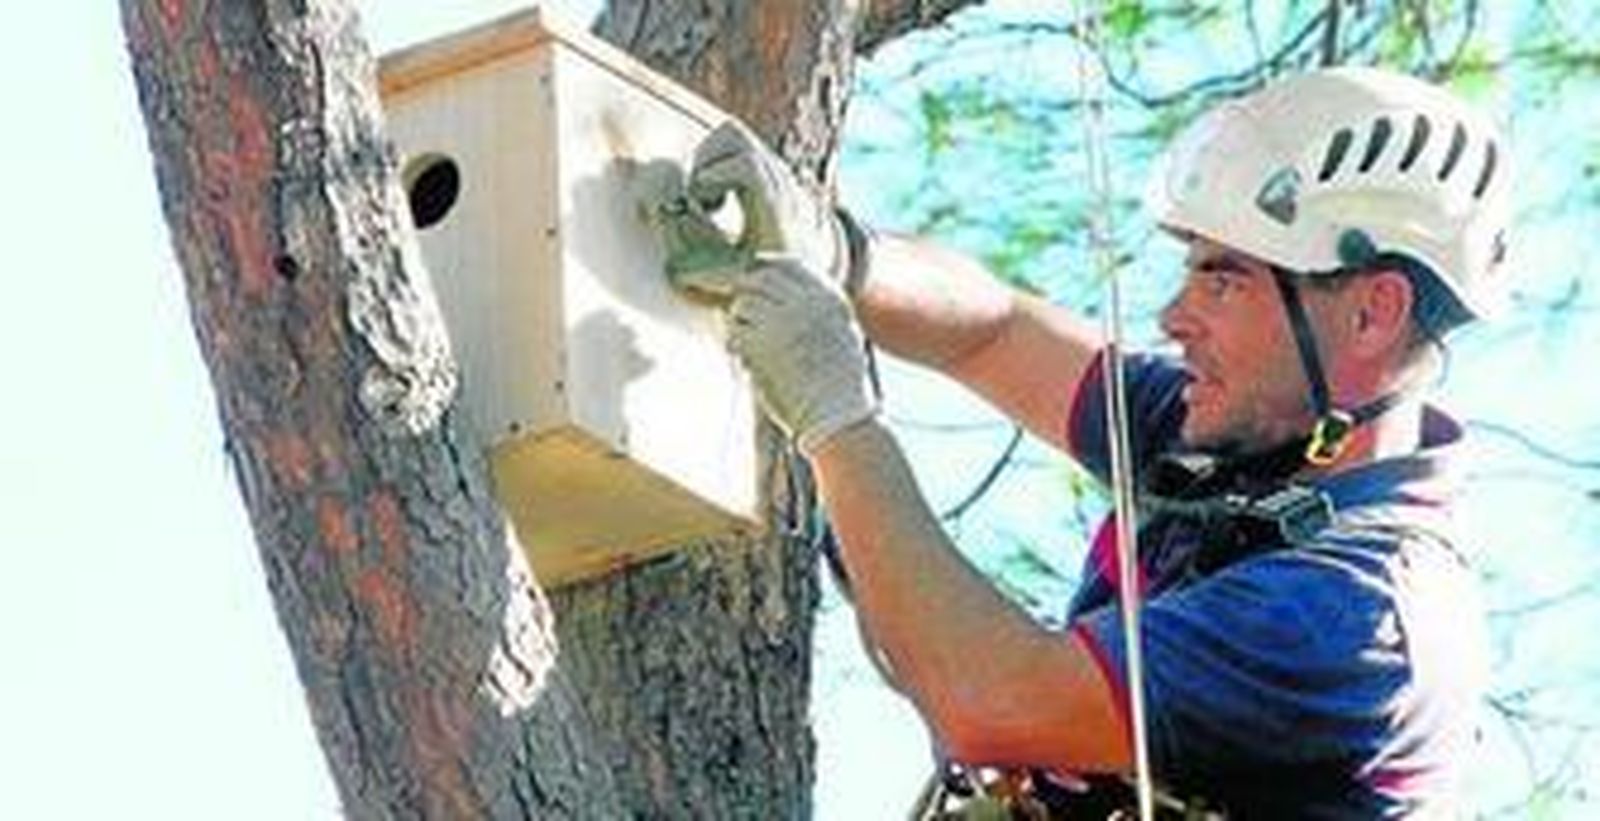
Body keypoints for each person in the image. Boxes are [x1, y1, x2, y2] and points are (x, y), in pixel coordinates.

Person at [662, 66, 1511, 818]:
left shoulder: (1359, 612)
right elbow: (993, 333)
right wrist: (835, 251)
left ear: (1372, 313)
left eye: (1225, 280)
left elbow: (991, 700)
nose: (1175, 317)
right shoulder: (1242, 440)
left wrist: (837, 418)